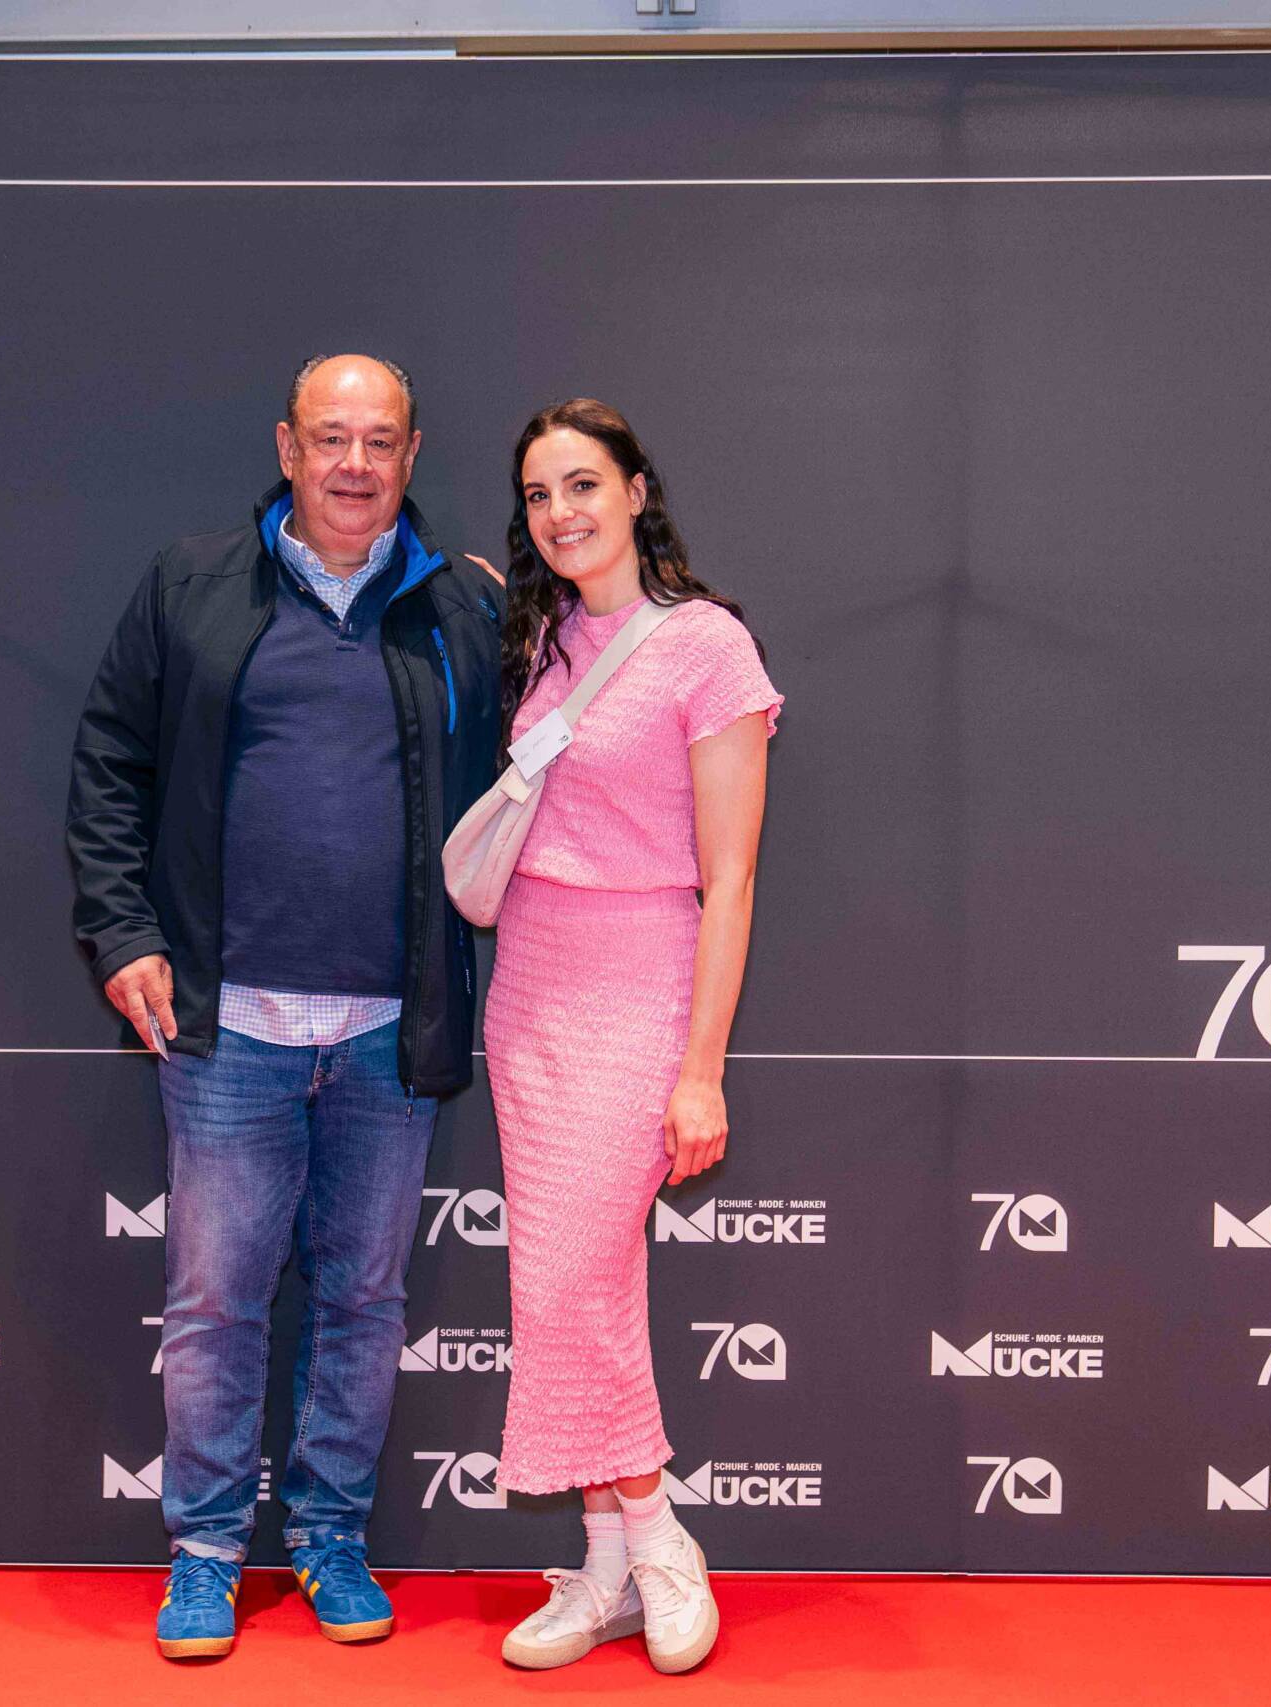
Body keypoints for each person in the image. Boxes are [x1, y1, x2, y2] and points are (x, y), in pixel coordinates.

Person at [65, 353, 503, 1660]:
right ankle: (205, 1550)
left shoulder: (461, 609)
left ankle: (327, 1535)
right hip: (229, 1024)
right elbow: (109, 762)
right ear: (287, 446)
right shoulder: (192, 584)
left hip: (389, 1030)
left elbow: (565, 735)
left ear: (412, 454)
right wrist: (123, 932)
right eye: (331, 436)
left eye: (379, 439)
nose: (354, 463)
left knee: (363, 1298)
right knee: (216, 1301)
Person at [483, 399, 781, 1675]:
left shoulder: (706, 646)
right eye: (540, 493)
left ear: (636, 490)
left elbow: (732, 877)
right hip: (528, 987)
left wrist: (701, 1069)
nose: (563, 512)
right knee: (568, 1278)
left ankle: (660, 1537)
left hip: (640, 980)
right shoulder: (538, 639)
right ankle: (611, 1564)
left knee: (572, 1275)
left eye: (584, 484)